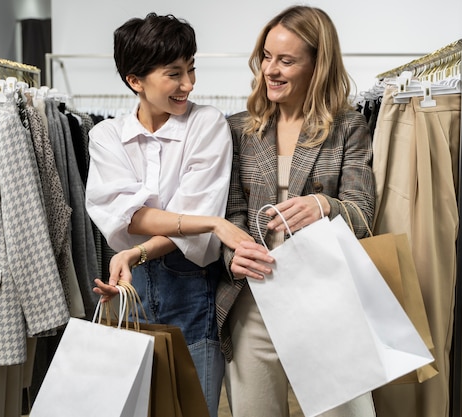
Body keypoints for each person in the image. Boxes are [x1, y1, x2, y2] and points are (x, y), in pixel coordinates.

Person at [84, 13, 252, 417]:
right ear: (135, 81)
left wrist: (136, 249)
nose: (189, 84)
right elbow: (127, 218)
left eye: (191, 69)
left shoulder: (207, 123)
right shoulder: (105, 136)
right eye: (174, 73)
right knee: (131, 408)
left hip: (191, 288)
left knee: (195, 409)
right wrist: (209, 223)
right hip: (129, 291)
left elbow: (169, 217)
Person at [216, 5, 377, 417]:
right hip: (252, 303)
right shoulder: (238, 129)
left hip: (326, 300)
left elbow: (363, 215)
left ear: (317, 65)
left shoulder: (348, 126)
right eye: (267, 57)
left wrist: (325, 204)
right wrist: (234, 256)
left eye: (286, 60)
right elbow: (231, 213)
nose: (271, 69)